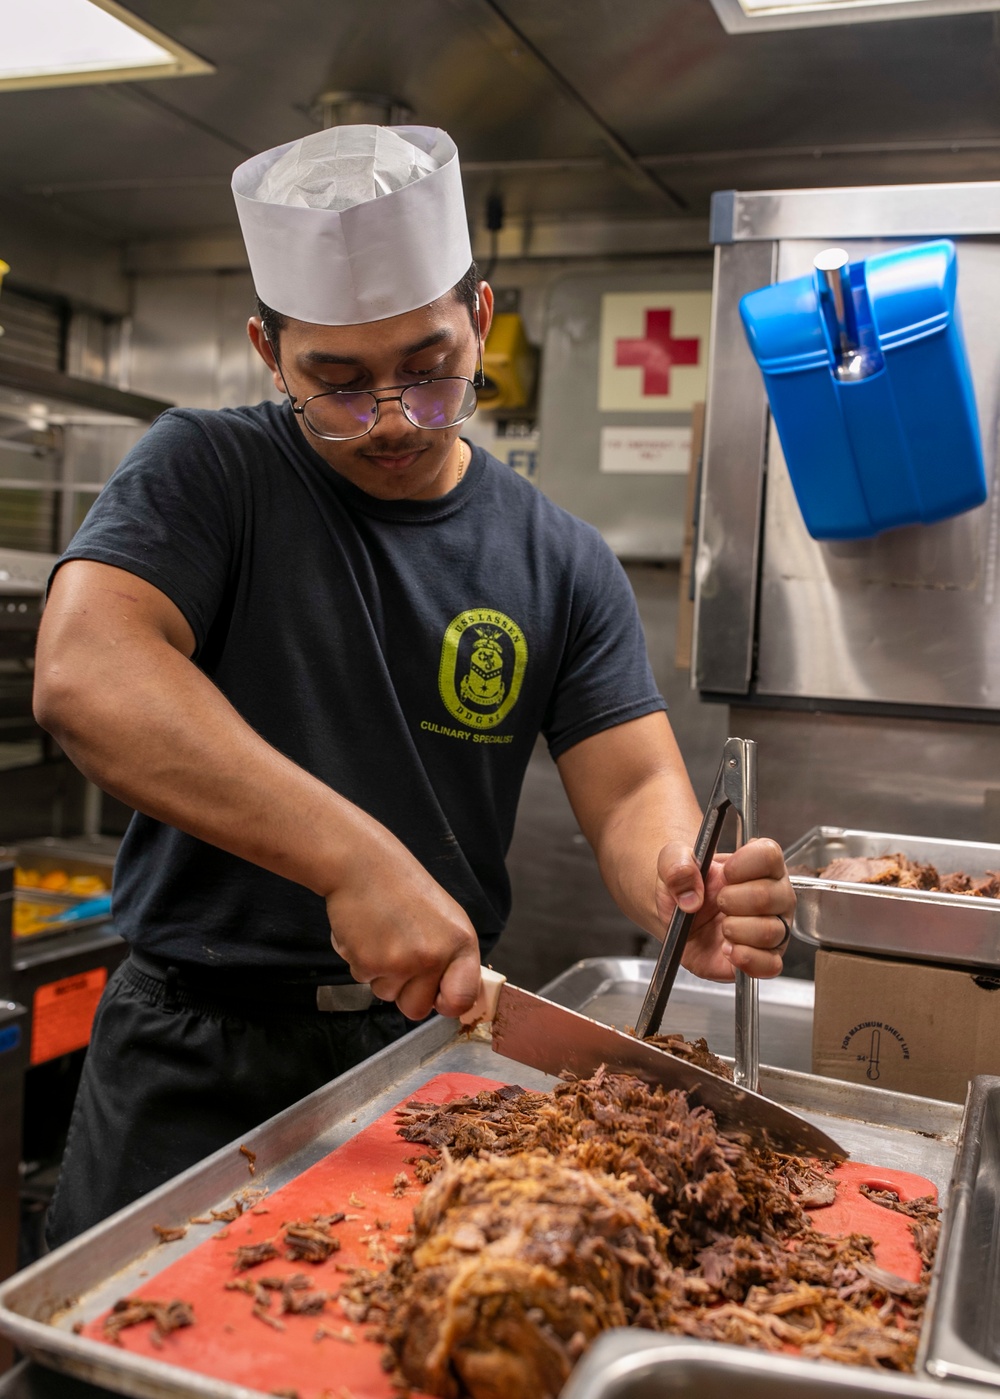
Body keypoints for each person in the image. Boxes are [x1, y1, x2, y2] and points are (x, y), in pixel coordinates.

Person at [34, 124, 795, 1248]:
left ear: (479, 319)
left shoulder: (558, 557)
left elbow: (634, 786)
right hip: (192, 1057)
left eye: (430, 370)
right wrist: (353, 861)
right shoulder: (208, 473)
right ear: (265, 348)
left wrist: (687, 881)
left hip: (425, 1060)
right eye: (335, 384)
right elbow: (88, 672)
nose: (390, 417)